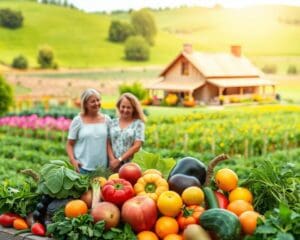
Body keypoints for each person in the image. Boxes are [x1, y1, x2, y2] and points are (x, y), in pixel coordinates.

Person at [66, 88, 110, 173]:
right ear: (85, 104)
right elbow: (69, 144)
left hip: (102, 170)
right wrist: (73, 160)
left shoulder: (107, 120)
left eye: (98, 100)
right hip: (82, 168)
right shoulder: (78, 121)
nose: (97, 103)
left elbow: (109, 143)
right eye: (93, 101)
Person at [108, 92, 146, 172]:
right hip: (114, 165)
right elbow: (108, 142)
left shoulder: (138, 124)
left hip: (132, 165)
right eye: (123, 107)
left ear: (133, 109)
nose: (125, 110)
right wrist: (112, 160)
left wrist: (120, 159)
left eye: (129, 107)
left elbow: (137, 146)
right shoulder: (112, 122)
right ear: (119, 107)